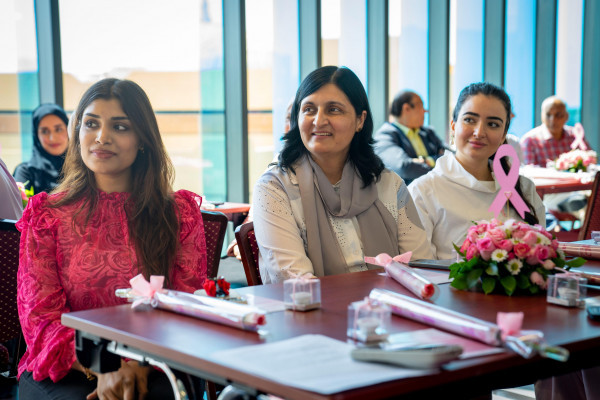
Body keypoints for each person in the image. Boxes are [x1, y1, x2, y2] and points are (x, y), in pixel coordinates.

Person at [17, 78, 207, 400]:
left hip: (157, 363)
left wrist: (136, 364)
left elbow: (186, 307)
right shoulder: (48, 216)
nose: (101, 137)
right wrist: (104, 366)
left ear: (143, 139)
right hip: (68, 367)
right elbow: (40, 320)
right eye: (91, 124)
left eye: (120, 127)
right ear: (77, 132)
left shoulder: (179, 214)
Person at [252, 66, 432, 284]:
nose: (318, 121)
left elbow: (420, 266)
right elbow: (296, 282)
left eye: (333, 110)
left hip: (390, 310)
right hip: (314, 314)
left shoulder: (387, 184)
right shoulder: (275, 188)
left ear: (360, 120)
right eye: (309, 109)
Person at [408, 82, 545, 260]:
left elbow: (541, 254)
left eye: (493, 124)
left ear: (504, 135)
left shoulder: (524, 189)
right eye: (470, 120)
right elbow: (418, 270)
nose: (479, 132)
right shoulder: (423, 191)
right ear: (453, 126)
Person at [374, 91, 445, 184]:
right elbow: (404, 167)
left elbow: (450, 156)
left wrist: (427, 161)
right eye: (421, 106)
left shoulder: (428, 132)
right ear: (406, 108)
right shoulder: (385, 135)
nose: (425, 111)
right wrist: (439, 166)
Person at [13, 104, 70, 194]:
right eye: (45, 131)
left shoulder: (82, 169)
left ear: (69, 130)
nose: (52, 138)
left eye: (59, 129)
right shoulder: (26, 172)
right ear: (36, 136)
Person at [520, 96, 591, 167]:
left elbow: (591, 159)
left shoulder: (575, 135)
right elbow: (528, 173)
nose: (553, 120)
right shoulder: (530, 140)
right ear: (542, 116)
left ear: (566, 117)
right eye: (548, 115)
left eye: (558, 115)